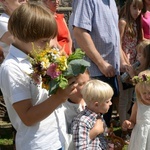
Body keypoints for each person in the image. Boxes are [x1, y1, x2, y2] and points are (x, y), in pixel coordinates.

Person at [0, 2, 78, 150]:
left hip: (57, 138)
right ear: (23, 35)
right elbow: (28, 118)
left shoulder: (39, 57)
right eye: (44, 41)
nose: (50, 46)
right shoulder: (12, 68)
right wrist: (60, 97)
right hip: (38, 144)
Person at [69, 0, 126, 127]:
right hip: (93, 74)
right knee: (91, 126)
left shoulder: (111, 2)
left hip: (109, 73)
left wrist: (121, 62)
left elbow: (114, 37)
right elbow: (79, 32)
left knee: (103, 123)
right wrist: (101, 63)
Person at [117, 0, 143, 142]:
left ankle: (128, 124)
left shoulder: (136, 23)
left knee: (130, 98)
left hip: (135, 64)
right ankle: (123, 128)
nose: (137, 12)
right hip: (125, 65)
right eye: (134, 8)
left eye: (139, 9)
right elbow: (119, 44)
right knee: (123, 99)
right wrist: (125, 63)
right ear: (128, 6)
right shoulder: (123, 22)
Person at [71, 79, 114, 149]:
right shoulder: (82, 121)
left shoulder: (98, 116)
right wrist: (96, 131)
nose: (111, 103)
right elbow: (81, 147)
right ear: (96, 105)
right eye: (107, 101)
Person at [122, 69, 150, 150]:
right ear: (139, 93)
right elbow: (133, 121)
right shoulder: (138, 105)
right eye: (144, 93)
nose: (147, 96)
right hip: (141, 137)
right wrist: (129, 123)